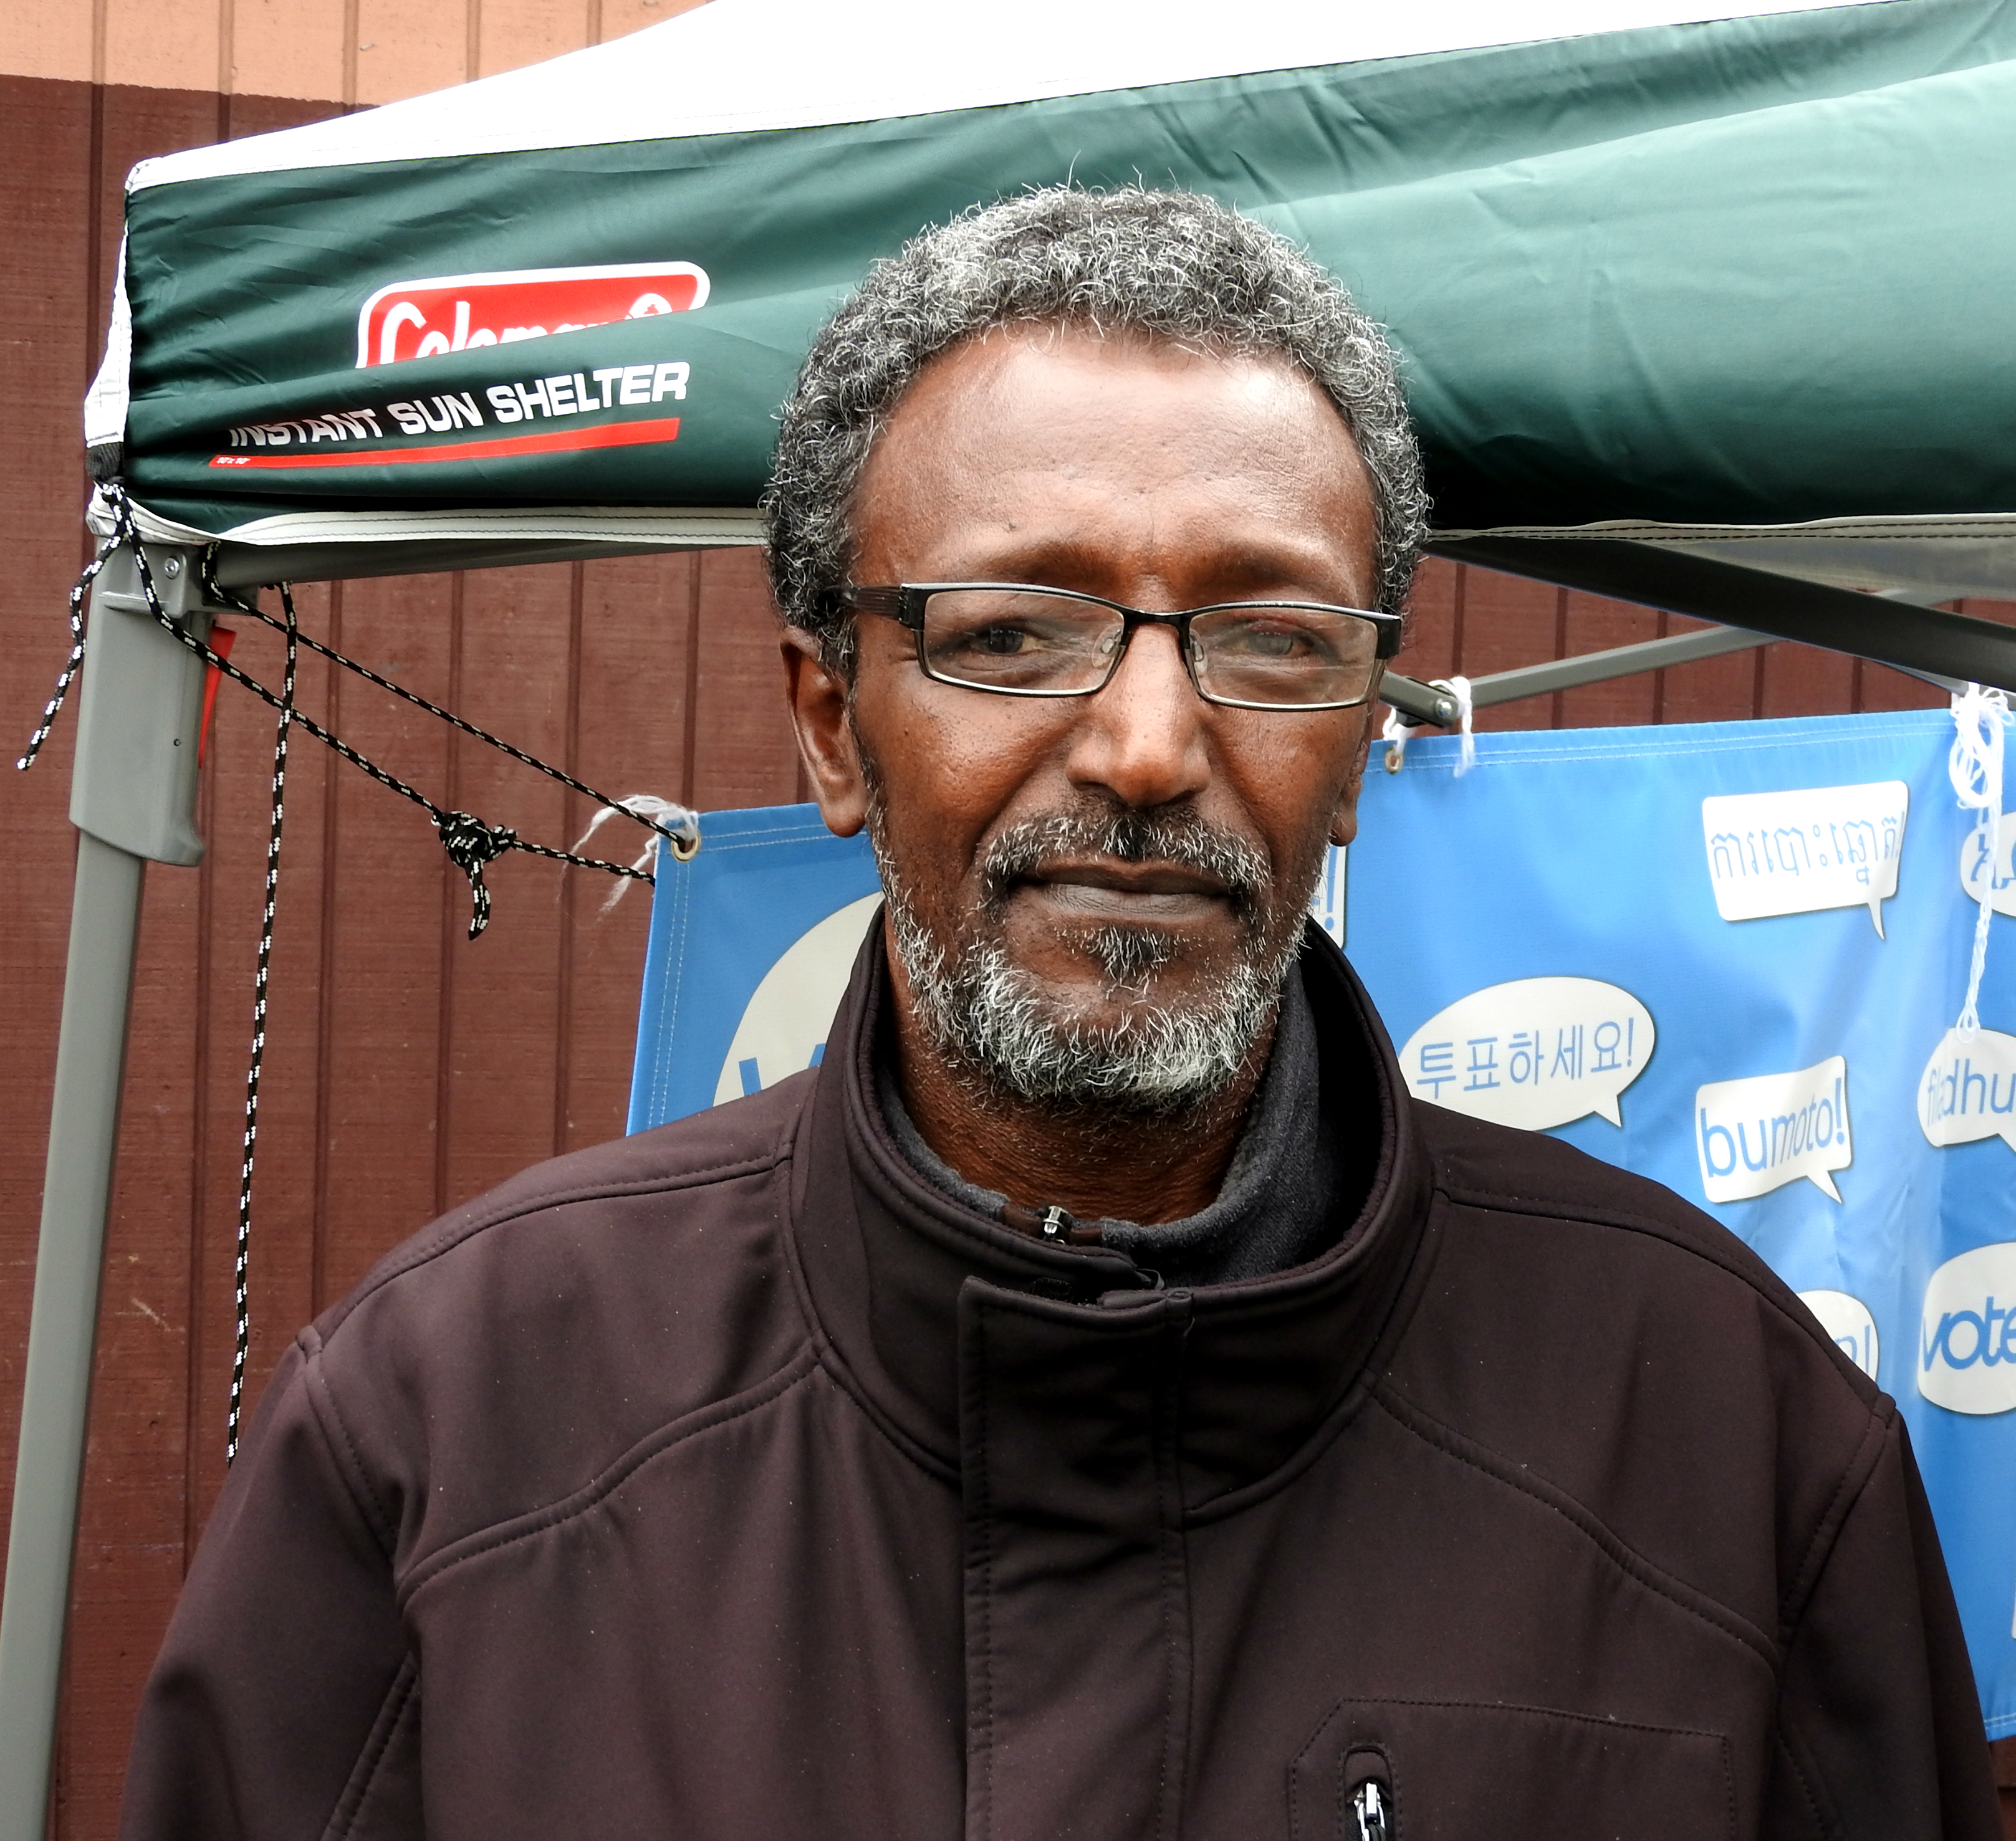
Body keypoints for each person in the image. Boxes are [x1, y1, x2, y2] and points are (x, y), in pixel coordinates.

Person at [119, 188, 1997, 1841]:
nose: (1149, 747)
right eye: (1012, 631)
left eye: (1271, 636)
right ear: (831, 724)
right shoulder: (446, 1433)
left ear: (1362, 742)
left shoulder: (1727, 1438)